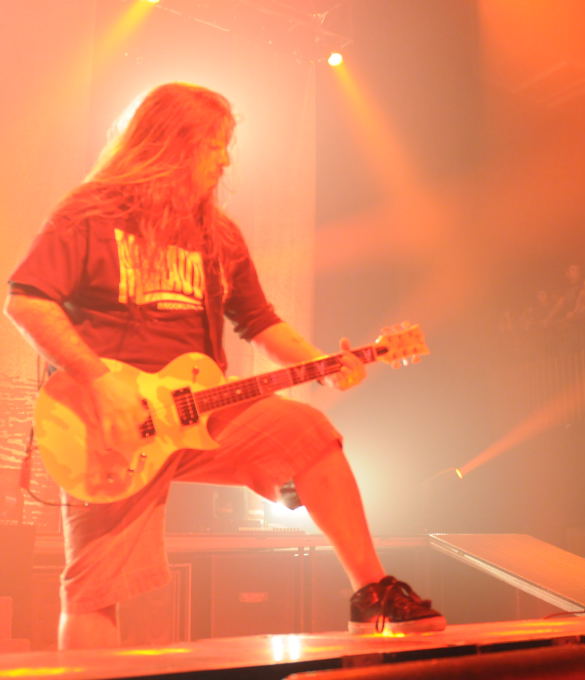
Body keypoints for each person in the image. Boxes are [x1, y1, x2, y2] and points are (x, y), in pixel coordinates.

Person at [4, 83, 444, 649]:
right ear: (173, 144)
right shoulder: (90, 213)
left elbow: (258, 320)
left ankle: (372, 593)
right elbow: (27, 300)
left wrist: (321, 363)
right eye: (215, 144)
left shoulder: (220, 234)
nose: (225, 160)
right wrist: (100, 380)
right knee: (93, 591)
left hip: (202, 411)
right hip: (110, 426)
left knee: (310, 434)